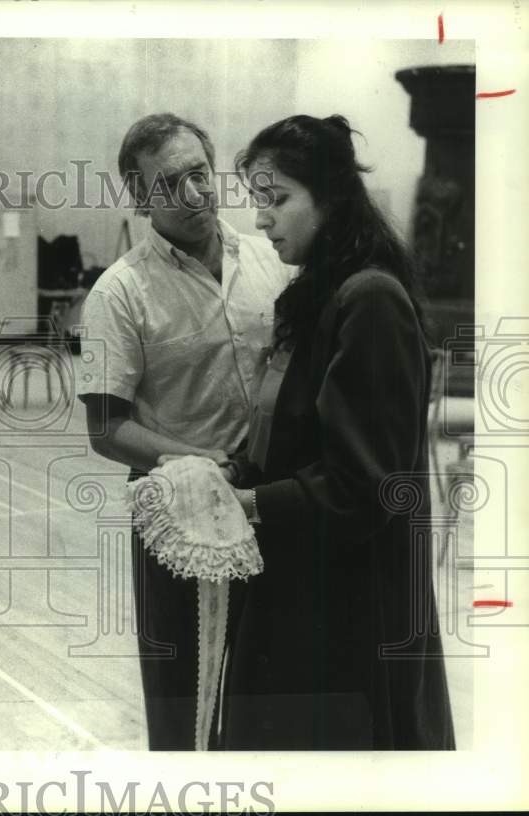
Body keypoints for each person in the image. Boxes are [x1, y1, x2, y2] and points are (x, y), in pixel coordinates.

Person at [220, 115, 455, 749]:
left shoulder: (369, 299)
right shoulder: (315, 295)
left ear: (330, 196)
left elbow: (365, 486)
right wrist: (235, 469)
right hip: (299, 582)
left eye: (277, 200)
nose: (262, 219)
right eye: (256, 202)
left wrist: (244, 504)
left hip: (349, 605)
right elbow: (291, 436)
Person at [77, 113, 295, 750]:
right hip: (178, 515)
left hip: (271, 504)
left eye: (200, 174)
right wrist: (201, 462)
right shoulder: (118, 294)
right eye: (172, 184)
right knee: (179, 702)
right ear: (143, 199)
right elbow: (107, 428)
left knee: (265, 692)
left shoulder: (270, 259)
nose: (196, 193)